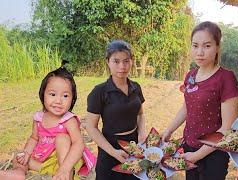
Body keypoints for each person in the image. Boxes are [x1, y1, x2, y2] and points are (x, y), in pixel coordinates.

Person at [162, 21, 238, 180]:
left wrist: (197, 155)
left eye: (207, 46)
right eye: (195, 45)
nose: (199, 52)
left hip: (214, 153)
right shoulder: (190, 75)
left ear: (217, 47)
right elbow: (187, 106)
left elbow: (227, 129)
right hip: (189, 146)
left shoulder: (226, 78)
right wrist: (169, 130)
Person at [0, 64, 96, 180]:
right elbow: (34, 138)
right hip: (44, 161)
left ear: (72, 99)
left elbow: (78, 143)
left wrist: (65, 168)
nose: (58, 101)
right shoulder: (39, 118)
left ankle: (66, 175)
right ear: (43, 95)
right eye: (52, 94)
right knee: (19, 156)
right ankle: (18, 172)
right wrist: (26, 153)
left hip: (65, 161)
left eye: (65, 96)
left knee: (62, 138)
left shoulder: (69, 120)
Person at [84, 40, 146, 180]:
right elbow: (91, 127)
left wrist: (142, 133)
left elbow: (140, 114)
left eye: (126, 61)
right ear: (108, 61)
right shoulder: (99, 92)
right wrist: (113, 152)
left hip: (134, 146)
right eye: (116, 61)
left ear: (131, 61)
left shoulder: (136, 87)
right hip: (110, 146)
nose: (122, 66)